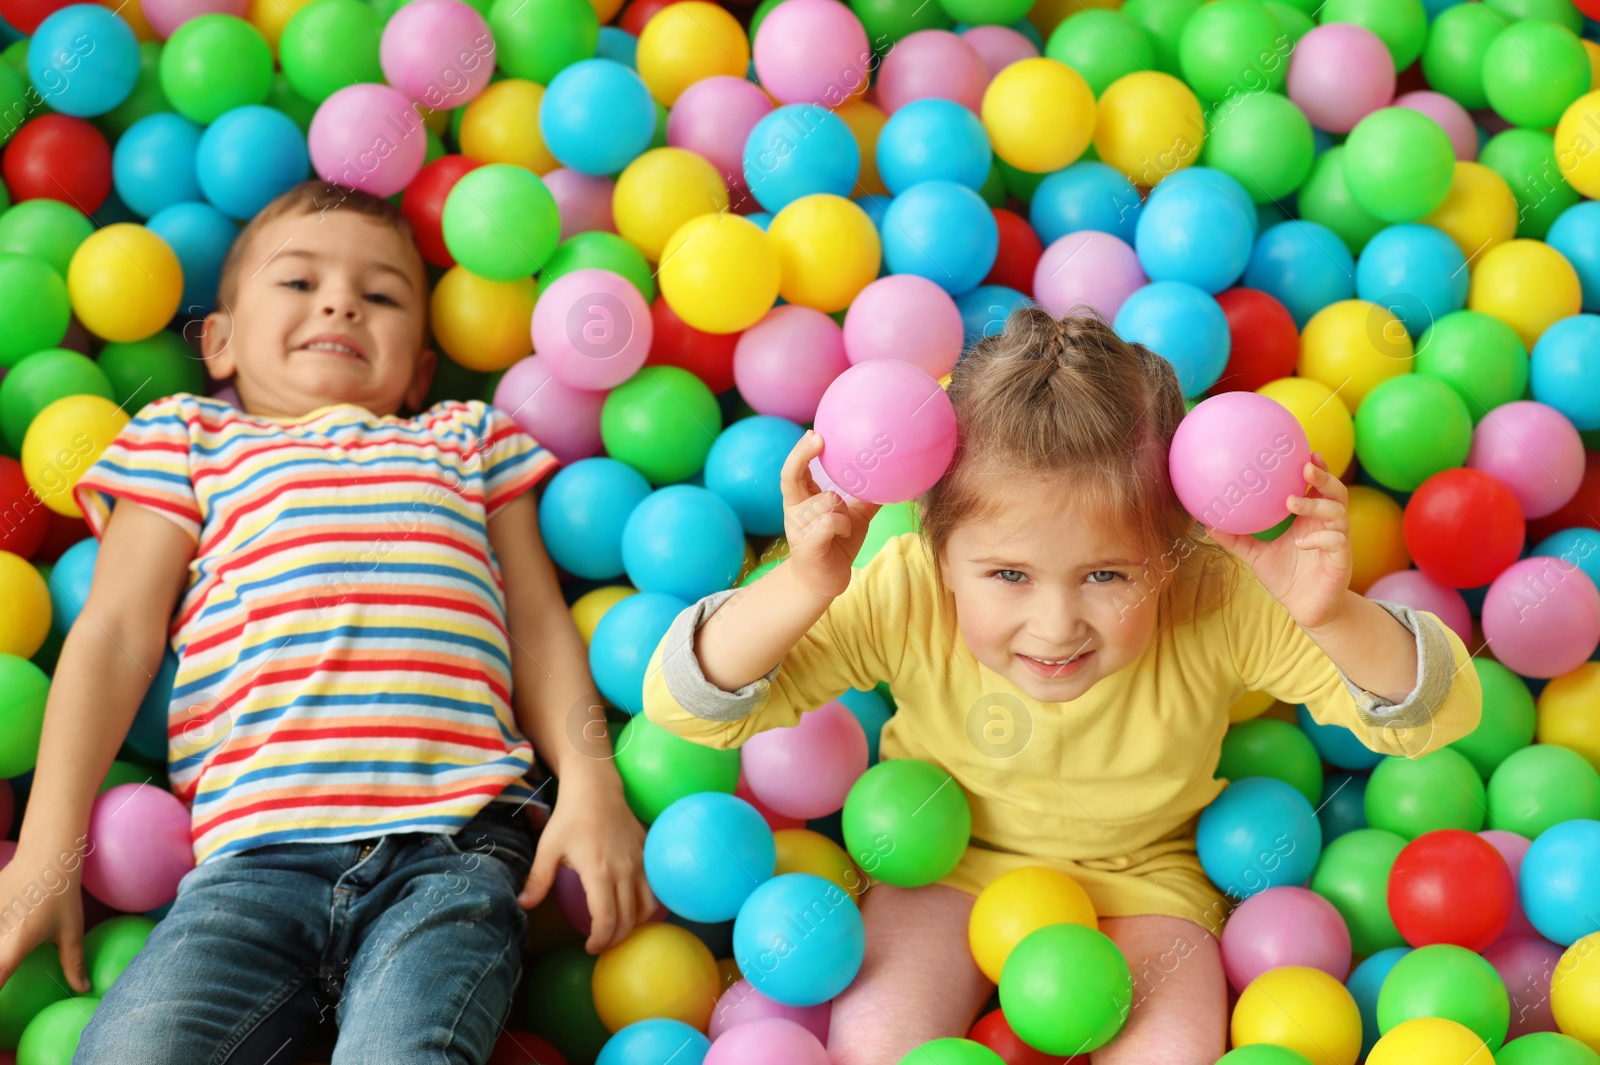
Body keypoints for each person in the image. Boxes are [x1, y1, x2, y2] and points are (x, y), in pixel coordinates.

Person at [642, 307, 1483, 1064]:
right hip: (947, 862)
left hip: (1147, 880)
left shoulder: (1215, 594)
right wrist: (802, 585)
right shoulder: (905, 589)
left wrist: (1331, 615)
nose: (1054, 626)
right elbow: (682, 701)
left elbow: (1440, 714)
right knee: (875, 1043)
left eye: (1108, 576)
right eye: (1008, 573)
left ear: (1181, 541)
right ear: (938, 551)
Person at [0, 181, 651, 1065]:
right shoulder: (187, 436)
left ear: (420, 369)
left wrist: (589, 778)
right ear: (220, 342)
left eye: (380, 295)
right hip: (248, 864)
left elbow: (535, 625)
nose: (341, 299)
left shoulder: (465, 439)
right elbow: (116, 632)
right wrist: (48, 848)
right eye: (299, 283)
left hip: (452, 853)